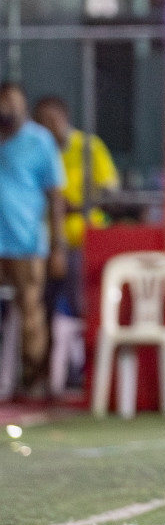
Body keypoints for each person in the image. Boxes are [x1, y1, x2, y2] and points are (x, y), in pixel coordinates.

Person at [0, 83, 66, 401]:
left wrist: (58, 246)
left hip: (27, 242)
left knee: (30, 311)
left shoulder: (39, 141)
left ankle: (33, 380)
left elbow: (56, 197)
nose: (7, 111)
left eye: (13, 105)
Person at [33, 95, 118, 333]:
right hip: (44, 243)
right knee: (43, 308)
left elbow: (110, 192)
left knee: (78, 306)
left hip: (83, 239)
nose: (47, 127)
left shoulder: (88, 146)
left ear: (64, 117)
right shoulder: (40, 151)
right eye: (40, 121)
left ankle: (80, 362)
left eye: (51, 119)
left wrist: (78, 205)